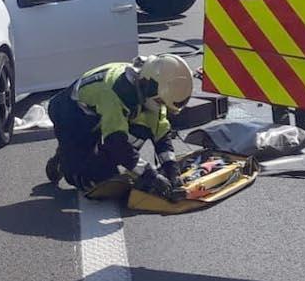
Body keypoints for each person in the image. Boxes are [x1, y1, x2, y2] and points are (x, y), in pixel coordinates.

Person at [45, 54, 194, 191]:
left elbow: (160, 132)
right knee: (94, 181)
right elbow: (116, 142)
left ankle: (100, 159)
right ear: (148, 87)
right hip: (71, 116)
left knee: (140, 131)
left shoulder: (147, 86)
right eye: (160, 102)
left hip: (101, 115)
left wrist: (172, 169)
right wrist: (149, 174)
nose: (162, 107)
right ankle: (63, 161)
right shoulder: (116, 92)